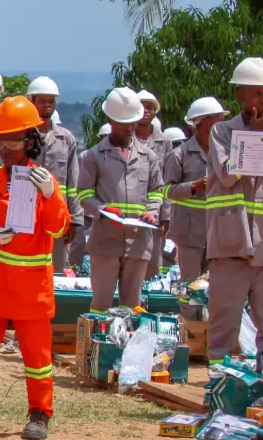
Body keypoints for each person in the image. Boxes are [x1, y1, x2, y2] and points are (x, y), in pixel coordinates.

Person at [0, 95, 70, 440]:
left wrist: (50, 195)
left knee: (37, 358)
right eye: (0, 141)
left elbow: (59, 229)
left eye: (12, 141)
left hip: (31, 288)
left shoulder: (44, 183)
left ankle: (40, 414)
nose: (4, 149)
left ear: (30, 141)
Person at [79, 87, 165, 311]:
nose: (129, 128)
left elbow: (157, 190)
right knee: (101, 304)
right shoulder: (93, 156)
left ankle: (128, 335)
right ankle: (98, 334)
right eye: (123, 123)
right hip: (105, 241)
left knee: (132, 307)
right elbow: (84, 194)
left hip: (138, 241)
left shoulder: (149, 157)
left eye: (132, 123)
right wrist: (103, 210)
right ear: (110, 120)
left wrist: (152, 212)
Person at [204, 59, 263, 364]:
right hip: (231, 246)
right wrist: (254, 135)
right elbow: (228, 175)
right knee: (224, 329)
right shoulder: (222, 132)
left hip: (262, 248)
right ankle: (218, 385)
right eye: (258, 94)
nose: (262, 101)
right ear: (241, 95)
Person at [165, 97, 225, 281]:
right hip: (189, 234)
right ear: (200, 125)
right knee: (190, 284)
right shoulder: (180, 154)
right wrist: (193, 186)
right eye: (215, 124)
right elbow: (167, 190)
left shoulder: (225, 153)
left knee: (212, 285)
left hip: (218, 232)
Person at [26, 76, 82, 272]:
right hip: (26, 213)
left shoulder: (66, 139)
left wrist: (75, 220)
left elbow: (74, 183)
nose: (47, 105)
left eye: (51, 101)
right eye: (42, 101)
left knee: (56, 271)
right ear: (32, 102)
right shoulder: (23, 135)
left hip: (57, 215)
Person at [135, 89, 172, 278]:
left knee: (153, 259)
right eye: (142, 106)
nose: (146, 111)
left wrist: (166, 215)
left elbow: (167, 179)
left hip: (154, 211)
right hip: (131, 209)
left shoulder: (164, 143)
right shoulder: (126, 138)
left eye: (150, 107)